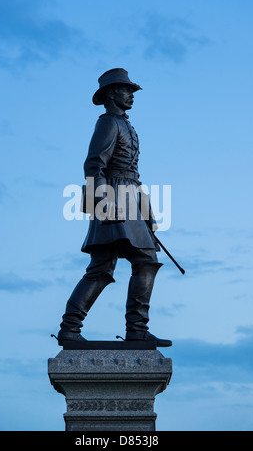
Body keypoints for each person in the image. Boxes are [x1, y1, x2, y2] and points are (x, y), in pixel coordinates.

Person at [57, 68, 172, 347]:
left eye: (132, 90)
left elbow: (133, 175)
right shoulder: (108, 122)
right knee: (135, 262)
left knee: (104, 268)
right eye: (126, 89)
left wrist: (147, 212)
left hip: (129, 199)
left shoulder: (127, 126)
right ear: (111, 93)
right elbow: (94, 165)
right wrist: (103, 203)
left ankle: (76, 329)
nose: (131, 94)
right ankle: (129, 329)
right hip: (112, 199)